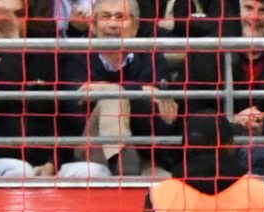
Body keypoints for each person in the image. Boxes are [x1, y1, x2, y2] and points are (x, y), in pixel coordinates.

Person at [64, 0, 180, 177]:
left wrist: (105, 89)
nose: (112, 24)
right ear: (93, 27)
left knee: (164, 182)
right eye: (105, 17)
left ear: (134, 27)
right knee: (113, 98)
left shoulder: (149, 54)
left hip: (145, 153)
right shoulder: (79, 53)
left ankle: (124, 162)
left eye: (120, 17)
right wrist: (141, 90)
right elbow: (78, 98)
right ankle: (123, 165)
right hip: (91, 151)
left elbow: (164, 109)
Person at [182, 0, 264, 175]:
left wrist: (263, 129)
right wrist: (230, 123)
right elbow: (191, 117)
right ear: (240, 8)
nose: (254, 17)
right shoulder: (204, 53)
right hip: (216, 166)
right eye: (249, 8)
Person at [0, 0, 70, 178]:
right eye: (4, 15)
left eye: (18, 14)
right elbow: (5, 96)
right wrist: (12, 40)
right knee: (21, 171)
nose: (11, 20)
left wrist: (53, 162)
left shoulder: (48, 55)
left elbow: (62, 117)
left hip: (48, 160)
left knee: (94, 171)